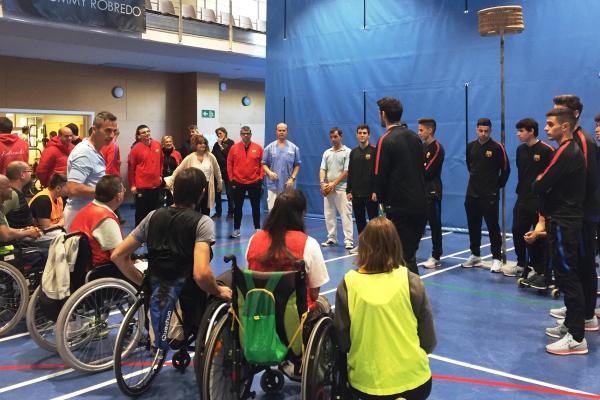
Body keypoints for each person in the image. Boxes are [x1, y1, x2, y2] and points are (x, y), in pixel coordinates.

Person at [111, 168, 231, 347]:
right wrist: (219, 291)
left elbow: (118, 255)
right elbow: (201, 275)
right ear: (202, 193)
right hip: (188, 301)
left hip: (157, 292)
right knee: (230, 278)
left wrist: (144, 283)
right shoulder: (202, 222)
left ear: (173, 190)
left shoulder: (152, 216)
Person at [334, 217, 436, 400]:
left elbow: (343, 341)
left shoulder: (348, 283)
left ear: (364, 246)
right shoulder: (411, 281)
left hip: (366, 386)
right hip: (415, 383)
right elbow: (429, 341)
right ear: (396, 245)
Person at [246, 189, 330, 379]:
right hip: (293, 323)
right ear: (301, 214)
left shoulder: (254, 239)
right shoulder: (308, 244)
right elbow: (315, 293)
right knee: (324, 306)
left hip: (259, 317)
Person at [532, 108, 587, 355]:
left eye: (550, 124)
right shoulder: (566, 150)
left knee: (568, 277)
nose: (546, 128)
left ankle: (576, 337)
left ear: (565, 127)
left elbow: (541, 184)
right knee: (566, 276)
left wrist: (541, 180)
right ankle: (570, 326)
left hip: (565, 221)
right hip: (563, 219)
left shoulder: (567, 151)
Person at [550, 95, 599, 332]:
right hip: (576, 214)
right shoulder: (571, 141)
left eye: (561, 111)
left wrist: (574, 213)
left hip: (584, 216)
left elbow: (587, 182)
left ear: (574, 115)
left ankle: (587, 314)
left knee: (584, 264)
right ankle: (577, 310)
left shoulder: (583, 141)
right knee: (577, 264)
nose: (556, 114)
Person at [374, 97, 427, 274]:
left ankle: (411, 298)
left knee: (401, 258)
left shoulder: (385, 140)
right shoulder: (414, 137)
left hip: (399, 208)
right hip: (420, 205)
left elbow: (379, 175)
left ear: (383, 114)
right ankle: (413, 296)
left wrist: (381, 202)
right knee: (408, 255)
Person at [506, 118, 553, 281]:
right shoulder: (520, 150)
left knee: (537, 234)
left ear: (531, 131)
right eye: (518, 131)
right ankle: (521, 263)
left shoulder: (547, 150)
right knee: (517, 229)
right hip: (523, 197)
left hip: (539, 200)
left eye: (521, 131)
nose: (518, 134)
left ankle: (538, 267)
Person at [461, 118, 510, 272]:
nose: (483, 134)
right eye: (480, 131)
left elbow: (506, 169)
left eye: (486, 131)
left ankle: (497, 258)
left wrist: (496, 186)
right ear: (476, 129)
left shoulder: (497, 147)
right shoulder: (471, 147)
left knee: (492, 227)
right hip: (472, 194)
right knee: (473, 226)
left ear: (490, 131)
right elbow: (470, 166)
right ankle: (475, 255)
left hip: (489, 195)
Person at [63, 111, 117, 230]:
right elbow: (73, 188)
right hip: (79, 214)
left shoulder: (95, 150)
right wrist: (105, 191)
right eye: (108, 130)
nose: (112, 135)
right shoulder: (84, 153)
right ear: (94, 129)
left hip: (89, 212)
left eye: (114, 131)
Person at [69, 175, 125, 267]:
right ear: (119, 196)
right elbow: (118, 257)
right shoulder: (106, 219)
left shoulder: (87, 209)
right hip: (101, 271)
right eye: (123, 190)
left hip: (80, 267)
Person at [169, 135, 222, 216]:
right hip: (193, 186)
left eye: (204, 143)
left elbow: (217, 170)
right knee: (194, 209)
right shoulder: (190, 157)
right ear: (195, 145)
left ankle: (203, 226)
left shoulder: (210, 156)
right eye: (200, 143)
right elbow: (178, 170)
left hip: (207, 186)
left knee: (206, 210)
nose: (203, 145)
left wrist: (219, 182)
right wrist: (171, 181)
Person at [226, 126, 264, 238]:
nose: (246, 135)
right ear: (241, 134)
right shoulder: (234, 148)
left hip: (254, 181)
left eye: (248, 133)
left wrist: (261, 176)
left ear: (251, 134)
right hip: (238, 181)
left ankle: (257, 228)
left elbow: (263, 163)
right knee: (237, 207)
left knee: (255, 206)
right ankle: (237, 229)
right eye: (243, 133)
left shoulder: (258, 148)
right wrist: (231, 178)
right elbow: (229, 163)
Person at [417, 118, 445, 269]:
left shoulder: (437, 148)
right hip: (420, 192)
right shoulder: (421, 147)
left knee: (435, 224)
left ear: (430, 130)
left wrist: (417, 169)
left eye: (421, 130)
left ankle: (436, 255)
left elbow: (427, 171)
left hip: (432, 192)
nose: (419, 132)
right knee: (417, 224)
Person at [320, 127, 353, 250]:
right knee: (329, 214)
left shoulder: (347, 152)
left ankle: (349, 240)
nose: (333, 139)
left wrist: (334, 184)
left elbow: (346, 171)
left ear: (341, 136)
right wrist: (323, 183)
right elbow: (322, 169)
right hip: (329, 188)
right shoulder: (327, 152)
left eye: (336, 137)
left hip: (342, 188)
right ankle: (331, 238)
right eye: (332, 137)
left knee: (346, 214)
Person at [346, 124, 377, 253]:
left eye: (364, 133)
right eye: (360, 133)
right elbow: (351, 172)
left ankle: (375, 247)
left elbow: (377, 172)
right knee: (359, 221)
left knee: (374, 222)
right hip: (357, 194)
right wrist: (348, 190)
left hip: (371, 194)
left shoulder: (374, 151)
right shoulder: (353, 152)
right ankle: (362, 246)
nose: (362, 135)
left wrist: (376, 191)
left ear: (368, 134)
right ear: (357, 135)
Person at [128, 125, 163, 226]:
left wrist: (160, 175)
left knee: (154, 212)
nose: (147, 134)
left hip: (155, 185)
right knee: (141, 213)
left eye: (148, 131)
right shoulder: (135, 149)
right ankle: (139, 236)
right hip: (141, 186)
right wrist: (132, 185)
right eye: (143, 132)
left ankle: (152, 233)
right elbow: (131, 168)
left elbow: (161, 161)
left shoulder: (157, 145)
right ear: (139, 136)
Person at [263, 123, 301, 211]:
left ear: (287, 132)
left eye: (284, 130)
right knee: (273, 210)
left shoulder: (294, 148)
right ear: (276, 132)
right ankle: (275, 225)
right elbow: (264, 163)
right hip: (273, 185)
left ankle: (287, 225)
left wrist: (292, 178)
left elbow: (297, 165)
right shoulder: (269, 148)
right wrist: (269, 172)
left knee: (289, 211)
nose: (281, 132)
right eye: (279, 130)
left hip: (288, 185)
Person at [3, 161, 34, 229]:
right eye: (29, 171)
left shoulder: (17, 192)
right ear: (22, 175)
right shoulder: (12, 194)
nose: (31, 174)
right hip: (21, 238)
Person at [212, 127, 235, 218]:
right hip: (218, 171)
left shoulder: (231, 143)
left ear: (225, 133)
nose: (219, 135)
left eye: (220, 133)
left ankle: (231, 212)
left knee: (229, 192)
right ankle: (218, 212)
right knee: (218, 192)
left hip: (228, 170)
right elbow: (213, 155)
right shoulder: (216, 144)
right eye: (217, 134)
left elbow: (229, 156)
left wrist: (221, 145)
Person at [161, 135, 182, 207]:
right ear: (163, 143)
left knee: (172, 201)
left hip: (174, 179)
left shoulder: (177, 153)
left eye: (170, 141)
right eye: (166, 142)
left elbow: (180, 167)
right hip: (162, 180)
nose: (168, 143)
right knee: (161, 201)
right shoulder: (159, 154)